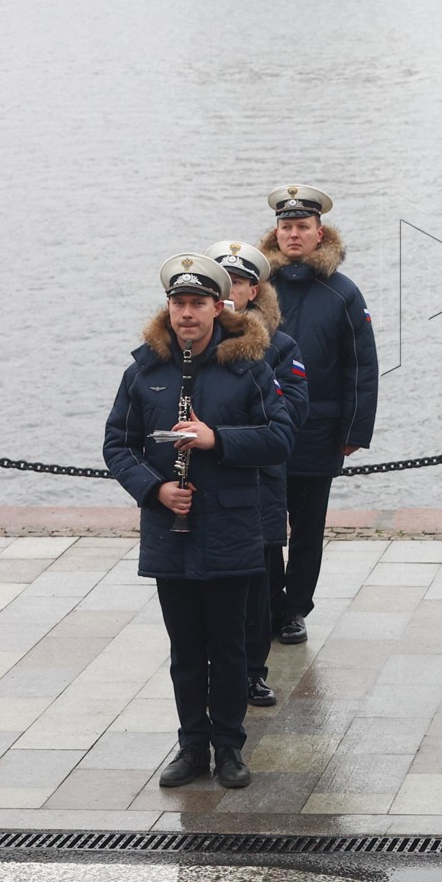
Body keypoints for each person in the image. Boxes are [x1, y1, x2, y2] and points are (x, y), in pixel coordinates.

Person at [103, 254, 293, 791]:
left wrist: (218, 439)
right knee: (185, 648)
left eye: (197, 304)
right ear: (169, 308)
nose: (187, 313)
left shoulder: (248, 366)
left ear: (217, 306)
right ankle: (191, 745)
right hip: (171, 528)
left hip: (231, 527)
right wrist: (154, 488)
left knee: (230, 646)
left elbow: (281, 438)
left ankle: (229, 747)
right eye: (179, 303)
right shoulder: (145, 370)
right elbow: (117, 445)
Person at [257, 184, 378, 646]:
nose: (293, 234)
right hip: (264, 428)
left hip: (318, 430)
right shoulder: (255, 287)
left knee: (307, 527)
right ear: (277, 232)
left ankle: (294, 609)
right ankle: (266, 601)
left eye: (302, 227)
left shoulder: (343, 293)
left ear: (318, 232)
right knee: (266, 521)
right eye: (286, 227)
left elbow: (361, 366)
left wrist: (353, 430)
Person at [207, 240, 310, 709]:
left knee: (258, 586)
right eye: (223, 285)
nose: (232, 292)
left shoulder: (281, 347)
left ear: (254, 291)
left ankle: (253, 672)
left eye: (241, 284)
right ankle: (213, 668)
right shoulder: (194, 345)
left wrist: (227, 437)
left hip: (256, 483)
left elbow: (291, 413)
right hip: (203, 487)